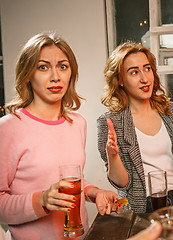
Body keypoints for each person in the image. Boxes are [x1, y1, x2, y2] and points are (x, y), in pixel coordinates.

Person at [0, 33, 122, 240]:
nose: (55, 76)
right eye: (43, 67)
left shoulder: (77, 123)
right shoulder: (7, 128)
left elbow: (75, 181)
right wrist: (42, 200)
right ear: (28, 74)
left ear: (71, 74)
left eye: (63, 66)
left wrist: (95, 192)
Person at [97, 41, 173, 213]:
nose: (144, 78)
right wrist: (113, 155)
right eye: (134, 72)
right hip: (142, 206)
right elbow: (123, 183)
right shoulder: (110, 122)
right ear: (120, 80)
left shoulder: (172, 111)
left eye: (147, 69)